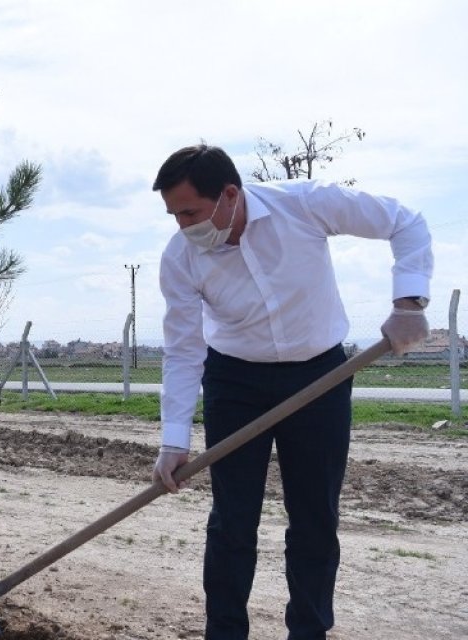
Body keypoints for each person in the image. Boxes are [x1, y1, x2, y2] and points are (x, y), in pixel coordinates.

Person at [149, 144, 432, 639]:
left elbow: (404, 221)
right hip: (234, 381)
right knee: (232, 521)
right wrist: (174, 441)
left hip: (318, 377)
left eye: (190, 211)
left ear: (230, 195)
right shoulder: (180, 259)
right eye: (174, 214)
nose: (183, 226)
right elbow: (183, 350)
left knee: (315, 518)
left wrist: (409, 302)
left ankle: (309, 631)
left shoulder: (303, 203)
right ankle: (225, 632)